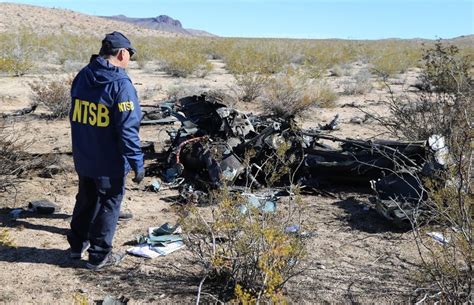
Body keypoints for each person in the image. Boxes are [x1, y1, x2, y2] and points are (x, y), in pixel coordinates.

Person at [67, 31, 145, 271]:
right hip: (109, 160)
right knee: (109, 203)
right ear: (122, 54)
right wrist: (137, 162)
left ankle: (76, 246)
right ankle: (99, 256)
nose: (129, 59)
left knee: (86, 199)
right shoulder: (121, 85)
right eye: (129, 54)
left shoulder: (83, 75)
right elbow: (127, 129)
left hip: (84, 154)